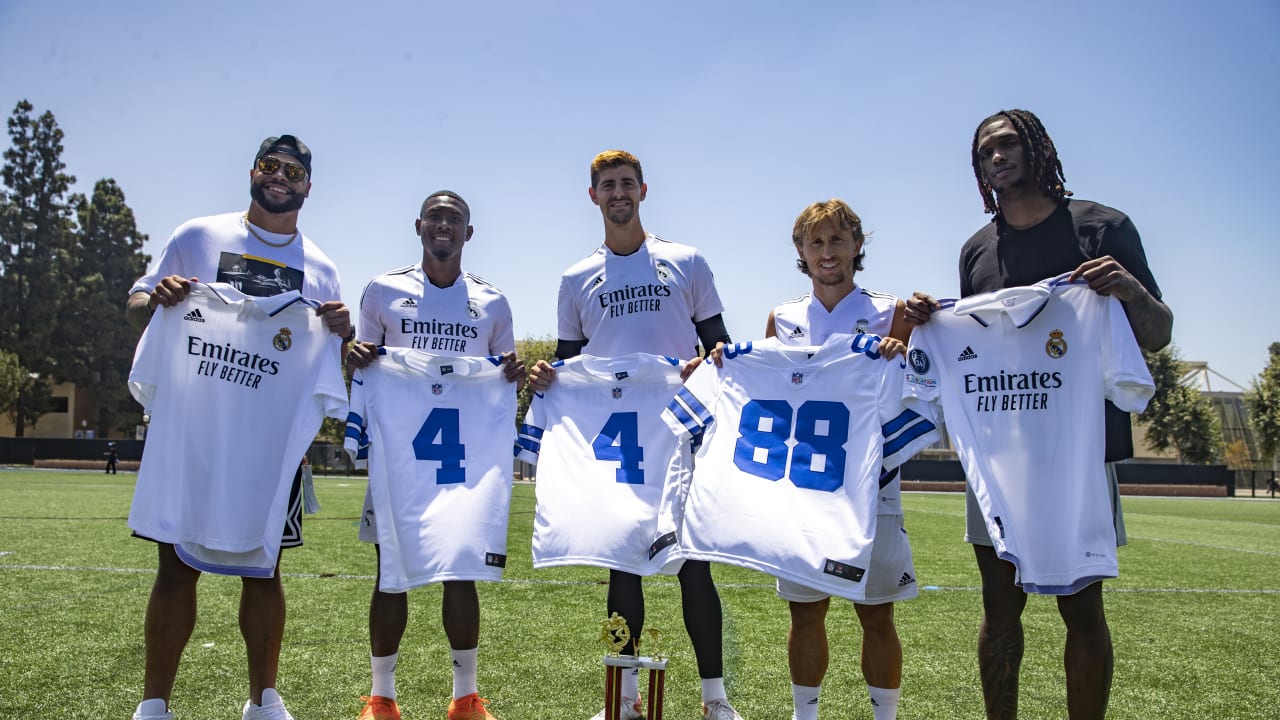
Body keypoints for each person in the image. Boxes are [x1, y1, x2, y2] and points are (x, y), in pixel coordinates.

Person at [905, 109, 1173, 720]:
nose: (995, 157)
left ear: (1037, 147)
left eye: (1006, 144)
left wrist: (1130, 291)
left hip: (1080, 450)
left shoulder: (1101, 228)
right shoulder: (977, 251)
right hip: (1000, 456)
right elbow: (972, 344)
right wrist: (930, 323)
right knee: (998, 605)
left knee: (1082, 607)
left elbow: (1157, 335)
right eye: (983, 153)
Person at [124, 134, 355, 720]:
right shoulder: (197, 235)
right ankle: (154, 705)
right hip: (196, 433)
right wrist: (156, 295)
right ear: (253, 171)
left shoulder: (321, 268)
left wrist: (344, 331)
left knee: (265, 568)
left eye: (293, 170)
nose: (280, 177)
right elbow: (137, 300)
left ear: (309, 184)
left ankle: (264, 701)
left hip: (269, 446)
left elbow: (332, 358)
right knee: (176, 567)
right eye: (270, 166)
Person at [528, 150, 744, 720]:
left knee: (695, 564)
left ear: (643, 191)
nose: (617, 192)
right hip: (615, 441)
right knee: (620, 564)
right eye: (607, 185)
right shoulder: (576, 278)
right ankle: (622, 698)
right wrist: (547, 375)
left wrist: (708, 364)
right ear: (593, 196)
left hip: (678, 430)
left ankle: (715, 699)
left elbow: (720, 343)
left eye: (626, 183)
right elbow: (568, 362)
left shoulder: (686, 261)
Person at [346, 190, 524, 720]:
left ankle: (465, 696)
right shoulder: (383, 290)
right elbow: (363, 368)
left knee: (461, 569)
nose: (444, 225)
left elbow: (502, 376)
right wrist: (352, 355)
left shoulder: (492, 302)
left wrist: (510, 373)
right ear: (419, 226)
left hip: (462, 462)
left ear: (468, 233)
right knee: (389, 571)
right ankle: (382, 697)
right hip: (400, 458)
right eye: (436, 217)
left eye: (456, 219)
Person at [765, 200, 912, 720]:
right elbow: (768, 394)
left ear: (857, 246)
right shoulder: (781, 318)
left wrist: (906, 354)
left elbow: (917, 387)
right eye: (816, 242)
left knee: (876, 616)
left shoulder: (893, 312)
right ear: (801, 252)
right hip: (803, 490)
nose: (827, 252)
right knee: (805, 615)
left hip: (871, 490)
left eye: (837, 240)